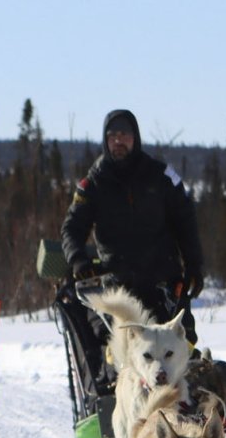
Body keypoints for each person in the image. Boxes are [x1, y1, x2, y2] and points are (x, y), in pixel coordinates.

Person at [60, 108, 205, 344]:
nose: (119, 141)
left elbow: (186, 222)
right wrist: (78, 260)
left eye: (124, 135)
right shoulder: (94, 182)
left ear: (135, 138)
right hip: (117, 285)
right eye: (113, 135)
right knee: (114, 350)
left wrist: (194, 266)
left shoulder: (161, 176)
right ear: (106, 140)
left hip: (163, 282)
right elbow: (72, 229)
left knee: (181, 346)